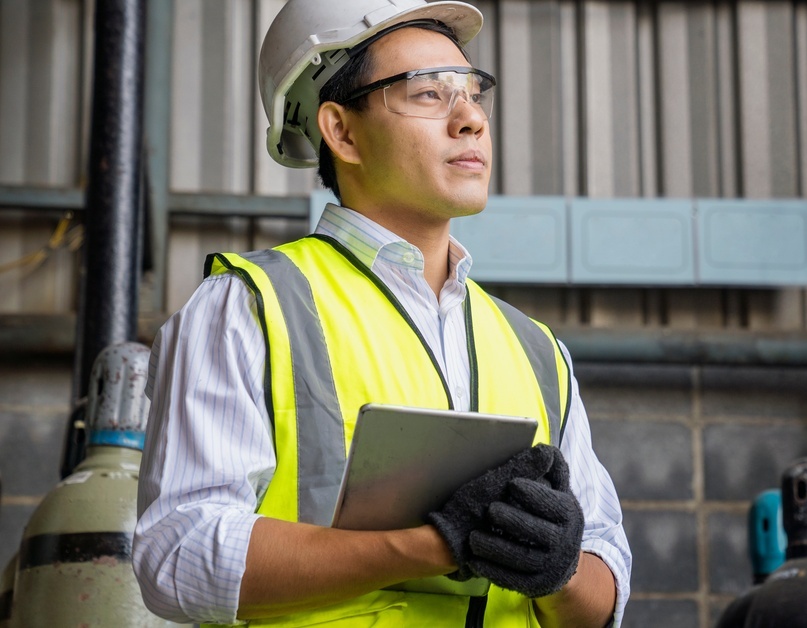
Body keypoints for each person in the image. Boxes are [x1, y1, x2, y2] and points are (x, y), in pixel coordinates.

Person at [131, 0, 631, 625]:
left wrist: (558, 570)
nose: (471, 119)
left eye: (474, 93)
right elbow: (176, 555)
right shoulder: (252, 305)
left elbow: (603, 580)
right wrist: (427, 546)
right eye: (427, 94)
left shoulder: (535, 350)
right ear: (340, 131)